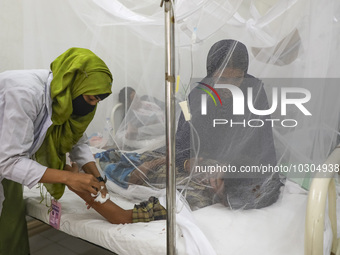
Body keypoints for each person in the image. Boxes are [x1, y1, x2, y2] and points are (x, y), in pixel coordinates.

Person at [96, 39, 284, 212]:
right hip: (200, 160)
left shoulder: (256, 93)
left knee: (248, 189)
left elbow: (262, 149)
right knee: (146, 163)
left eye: (237, 79)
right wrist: (187, 161)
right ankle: (106, 165)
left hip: (237, 163)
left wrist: (230, 168)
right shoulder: (198, 95)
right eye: (222, 79)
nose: (230, 87)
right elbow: (183, 141)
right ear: (211, 75)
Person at [1, 47, 117, 255]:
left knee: (11, 229)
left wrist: (98, 178)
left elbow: (76, 140)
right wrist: (67, 178)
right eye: (91, 99)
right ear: (75, 83)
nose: (92, 107)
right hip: (7, 161)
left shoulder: (63, 98)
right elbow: (8, 161)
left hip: (8, 167)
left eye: (97, 102)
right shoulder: (24, 94)